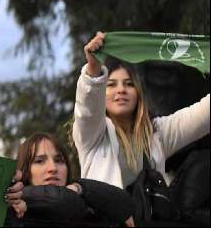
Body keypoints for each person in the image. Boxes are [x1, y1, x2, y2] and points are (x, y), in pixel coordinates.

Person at [74, 32, 210, 189]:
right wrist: (93, 69)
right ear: (101, 93)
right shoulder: (92, 136)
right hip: (108, 214)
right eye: (111, 85)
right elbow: (87, 109)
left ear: (138, 93)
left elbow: (203, 115)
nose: (121, 90)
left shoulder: (157, 134)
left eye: (129, 84)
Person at [5, 133, 136, 227]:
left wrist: (79, 188)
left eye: (59, 160)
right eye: (40, 161)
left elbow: (126, 205)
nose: (53, 168)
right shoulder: (10, 212)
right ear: (25, 171)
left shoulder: (89, 205)